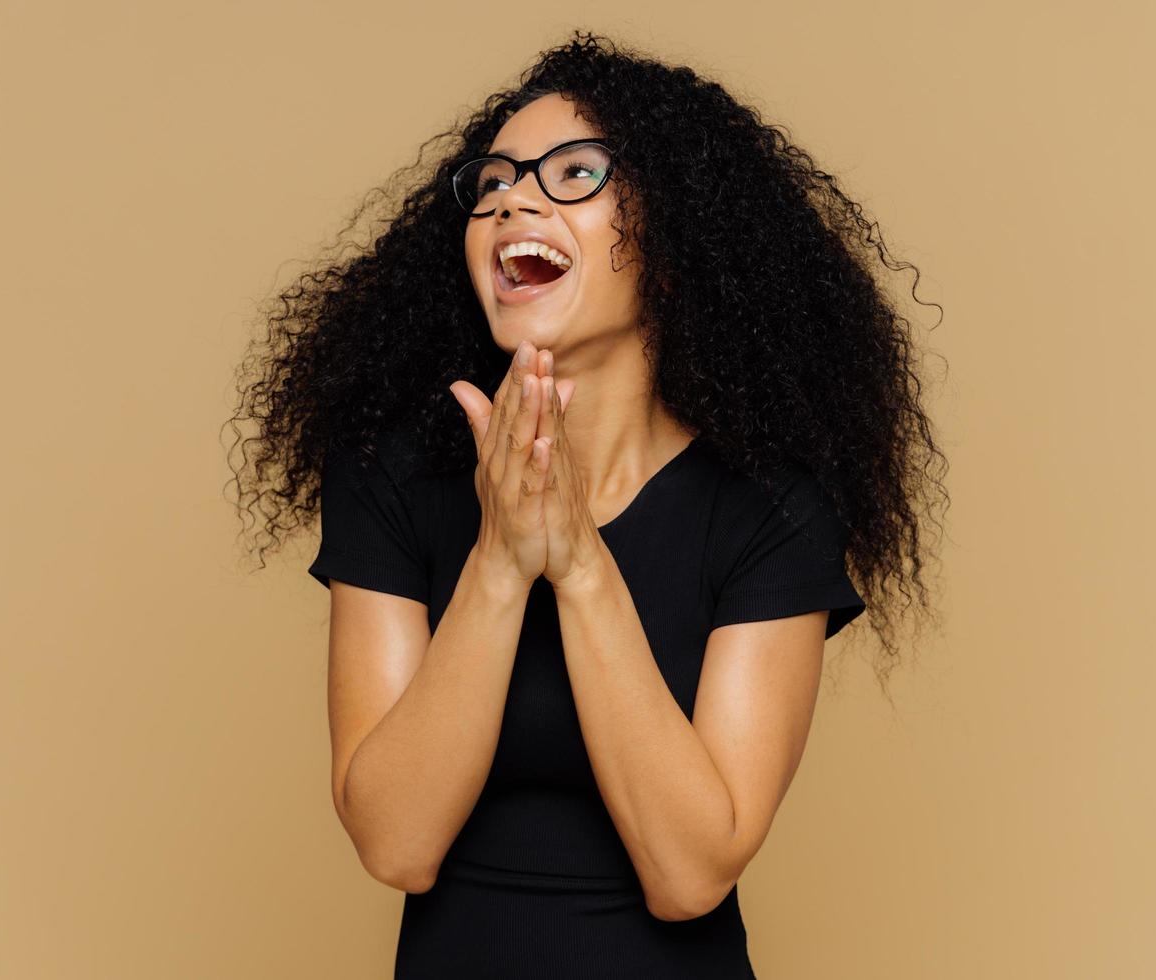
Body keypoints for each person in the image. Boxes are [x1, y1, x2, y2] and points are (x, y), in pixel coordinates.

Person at [228, 30, 946, 980]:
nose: (512, 198)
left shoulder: (769, 507)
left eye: (574, 173)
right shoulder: (390, 473)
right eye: (491, 182)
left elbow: (690, 872)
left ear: (673, 229)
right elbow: (395, 844)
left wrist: (575, 560)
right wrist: (498, 558)